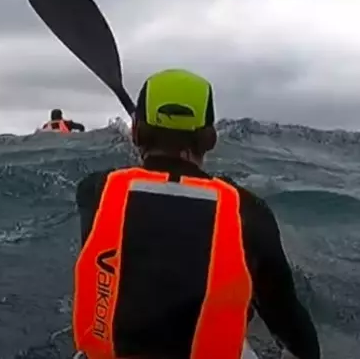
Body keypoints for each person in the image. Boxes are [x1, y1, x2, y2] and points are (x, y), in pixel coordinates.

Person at [70, 69, 320, 359]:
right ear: (210, 138)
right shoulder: (248, 209)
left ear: (136, 132)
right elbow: (288, 320)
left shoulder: (94, 191)